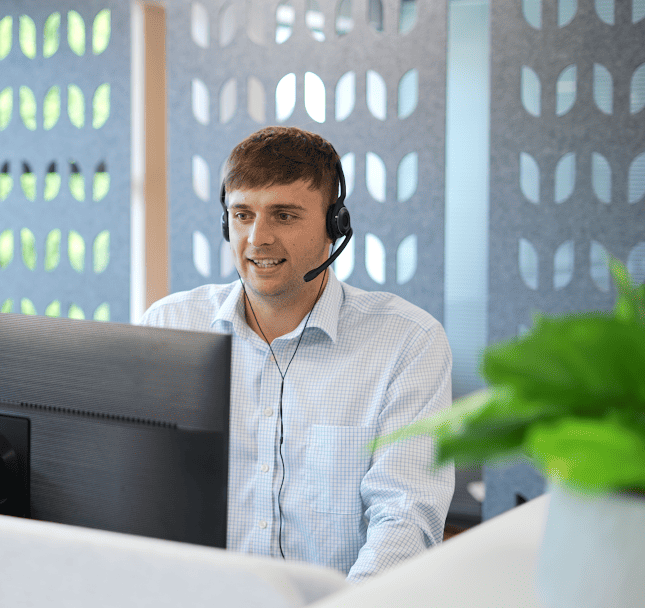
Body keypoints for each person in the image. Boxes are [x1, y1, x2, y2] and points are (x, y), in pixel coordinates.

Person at [140, 126, 454, 583]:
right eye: (242, 215)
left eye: (283, 215)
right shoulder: (170, 327)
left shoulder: (406, 343)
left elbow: (405, 519)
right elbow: (139, 494)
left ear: (334, 226)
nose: (257, 238)